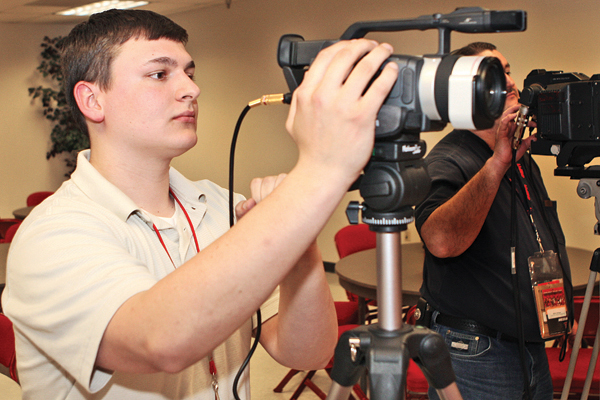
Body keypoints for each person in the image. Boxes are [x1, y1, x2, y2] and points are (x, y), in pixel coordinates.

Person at [2, 9, 399, 399]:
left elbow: (306, 352)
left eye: (189, 73)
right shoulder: (50, 236)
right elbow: (160, 339)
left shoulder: (222, 206)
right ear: (92, 100)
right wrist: (320, 169)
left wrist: (300, 244)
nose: (191, 89)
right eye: (160, 74)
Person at [414, 42, 573, 400]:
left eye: (508, 70)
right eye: (495, 75)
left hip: (527, 347)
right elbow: (440, 240)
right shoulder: (448, 160)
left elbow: (537, 235)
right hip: (476, 354)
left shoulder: (520, 156)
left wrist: (557, 309)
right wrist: (498, 163)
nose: (511, 82)